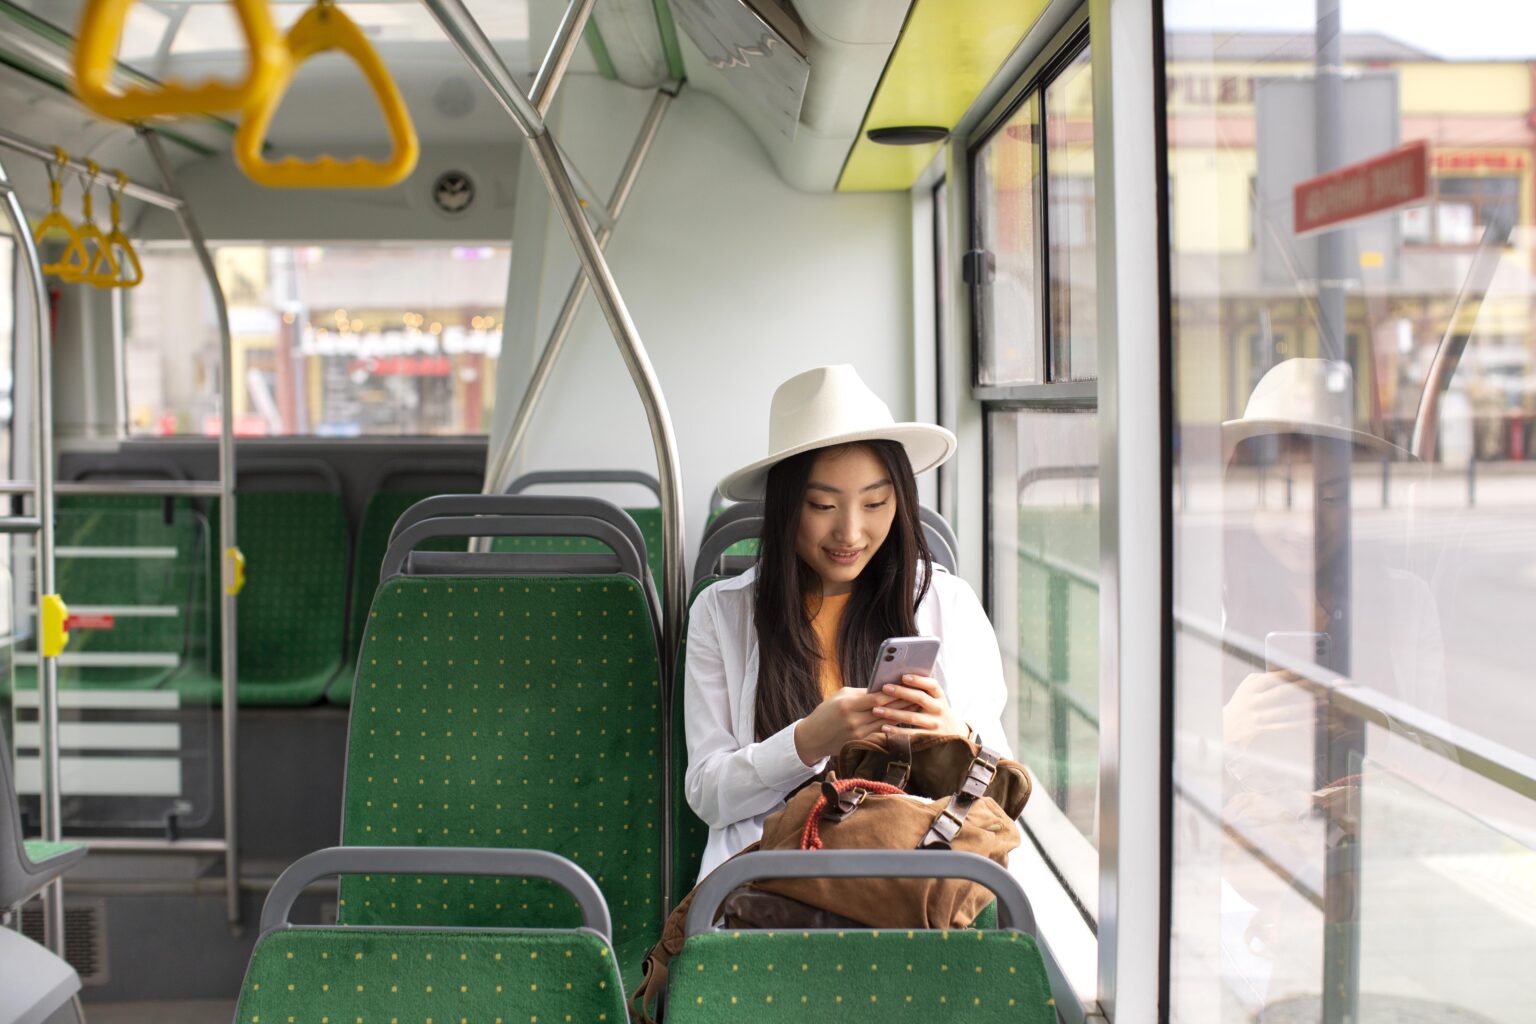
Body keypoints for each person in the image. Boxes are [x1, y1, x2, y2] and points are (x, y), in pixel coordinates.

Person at [683, 365, 1012, 880]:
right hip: (768, 886)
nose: (851, 531)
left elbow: (1003, 792)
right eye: (823, 505)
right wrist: (806, 741)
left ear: (899, 501)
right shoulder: (722, 613)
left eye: (876, 503)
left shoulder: (947, 602)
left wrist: (957, 736)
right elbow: (708, 795)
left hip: (910, 879)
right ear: (786, 506)